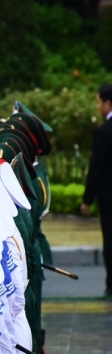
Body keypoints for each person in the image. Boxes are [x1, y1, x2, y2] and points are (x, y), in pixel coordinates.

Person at [81, 83, 112, 296]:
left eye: (99, 103)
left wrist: (87, 199)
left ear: (108, 104)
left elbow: (97, 168)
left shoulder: (104, 132)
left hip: (109, 198)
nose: (98, 107)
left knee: (110, 239)